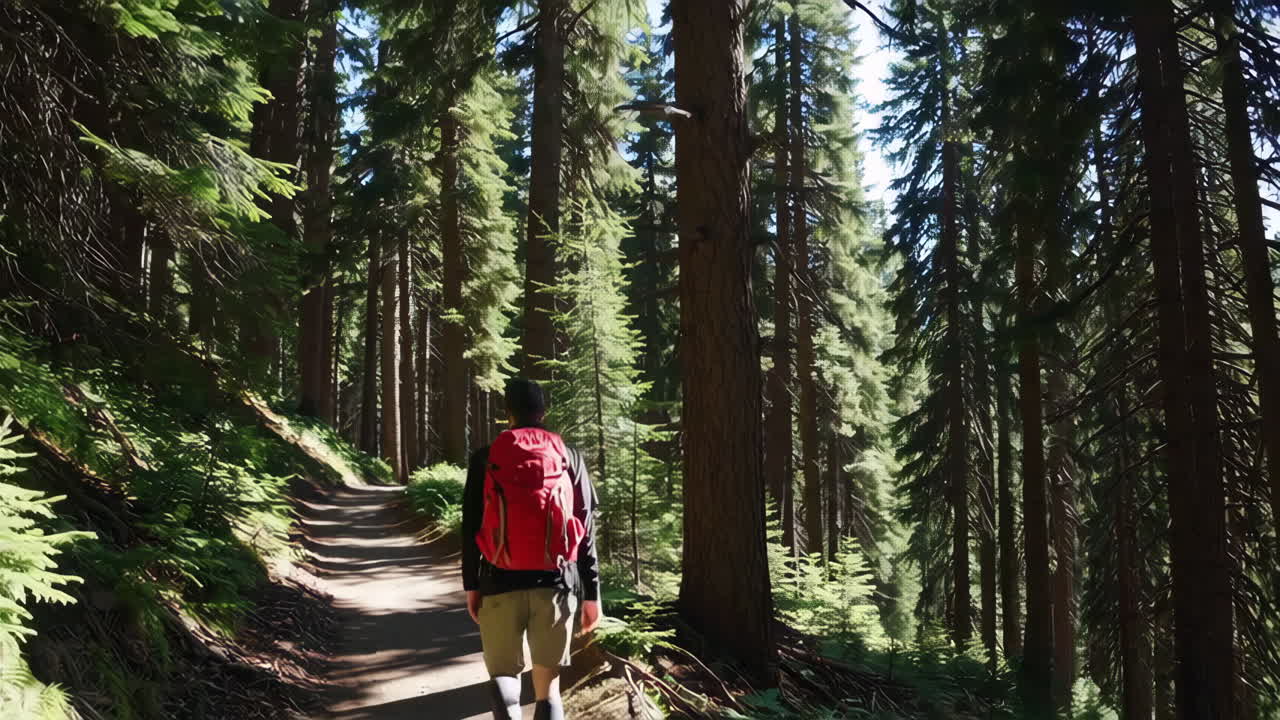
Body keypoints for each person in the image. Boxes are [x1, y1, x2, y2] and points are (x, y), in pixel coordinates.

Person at [462, 378, 602, 720]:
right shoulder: (570, 457)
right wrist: (591, 594)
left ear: (507, 413)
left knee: (503, 678)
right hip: (555, 585)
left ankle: (508, 713)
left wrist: (472, 586)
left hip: (498, 582)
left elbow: (471, 528)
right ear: (544, 412)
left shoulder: (486, 458)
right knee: (548, 689)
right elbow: (584, 530)